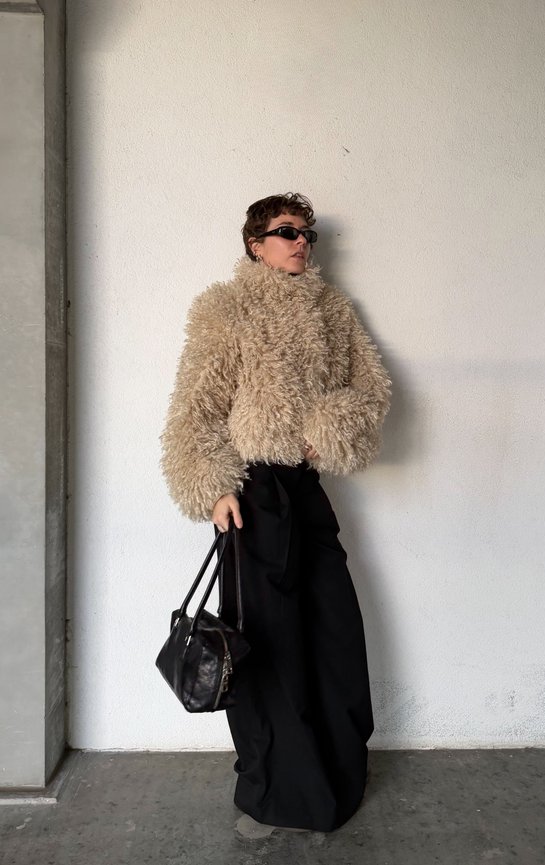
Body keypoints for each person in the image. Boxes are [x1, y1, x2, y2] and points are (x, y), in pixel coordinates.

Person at [160, 193, 391, 833]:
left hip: (307, 493)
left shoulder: (332, 310)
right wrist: (213, 485)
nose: (301, 241)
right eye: (286, 231)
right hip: (252, 498)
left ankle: (335, 775)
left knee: (335, 633)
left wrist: (333, 423)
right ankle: (275, 790)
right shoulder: (224, 309)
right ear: (255, 243)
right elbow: (194, 408)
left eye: (307, 232)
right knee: (268, 647)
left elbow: (369, 389)